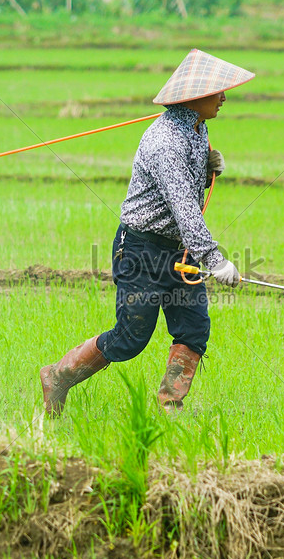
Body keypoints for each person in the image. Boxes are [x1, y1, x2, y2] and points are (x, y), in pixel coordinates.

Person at [39, 50, 253, 415]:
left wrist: (206, 170)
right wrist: (216, 261)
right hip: (141, 249)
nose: (224, 97)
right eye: (218, 91)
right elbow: (184, 207)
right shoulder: (165, 141)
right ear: (193, 96)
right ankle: (58, 375)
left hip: (178, 252)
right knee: (130, 338)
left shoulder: (197, 129)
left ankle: (170, 406)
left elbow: (182, 189)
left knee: (194, 329)